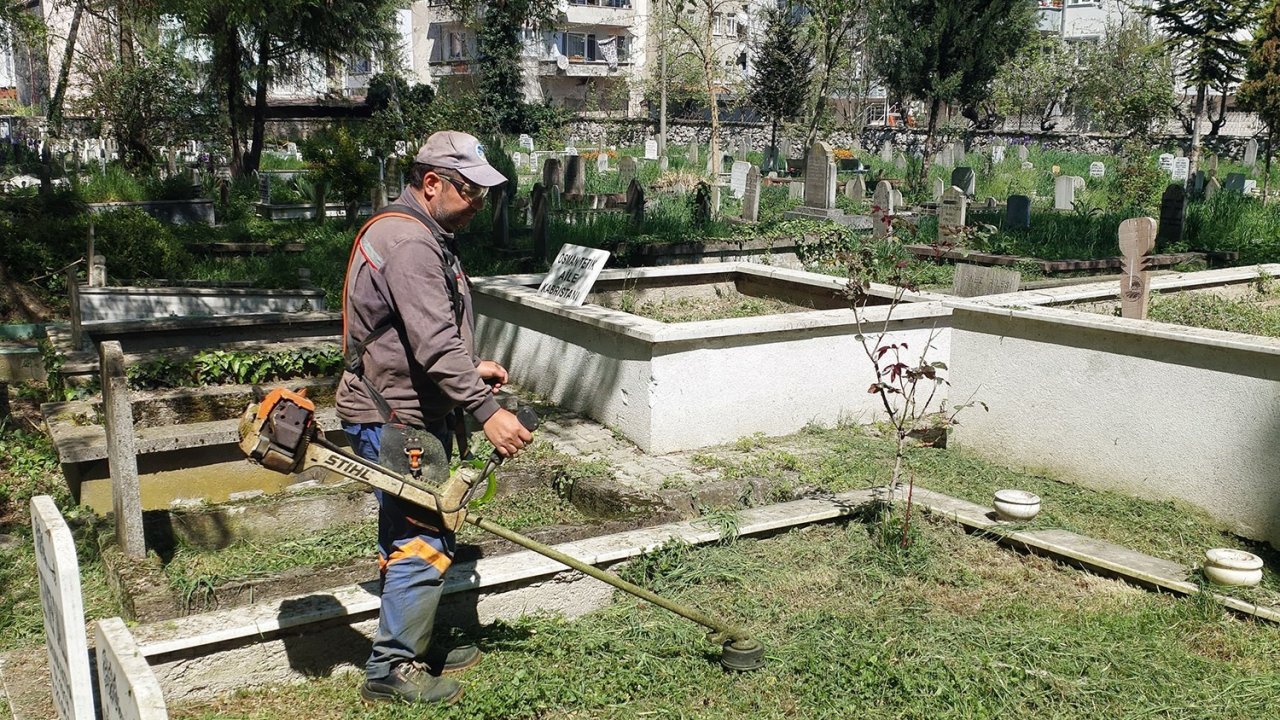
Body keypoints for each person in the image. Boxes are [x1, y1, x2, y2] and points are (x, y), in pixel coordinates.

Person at [336, 130, 533, 705]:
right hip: (396, 417)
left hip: (406, 409)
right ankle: (392, 667)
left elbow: (420, 336)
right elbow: (432, 345)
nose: (479, 204)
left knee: (418, 526)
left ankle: (416, 639)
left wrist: (473, 367)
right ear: (431, 183)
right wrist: (486, 410)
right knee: (422, 536)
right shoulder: (411, 244)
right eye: (471, 192)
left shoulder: (418, 234)